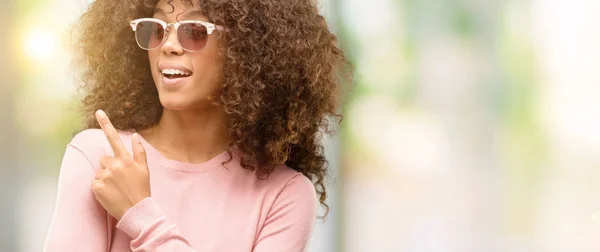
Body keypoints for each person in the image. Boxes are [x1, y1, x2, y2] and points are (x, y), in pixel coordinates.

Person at [43, 0, 350, 251]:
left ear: (247, 47)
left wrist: (141, 217)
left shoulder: (284, 195)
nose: (169, 46)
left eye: (194, 31)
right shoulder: (102, 157)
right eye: (156, 29)